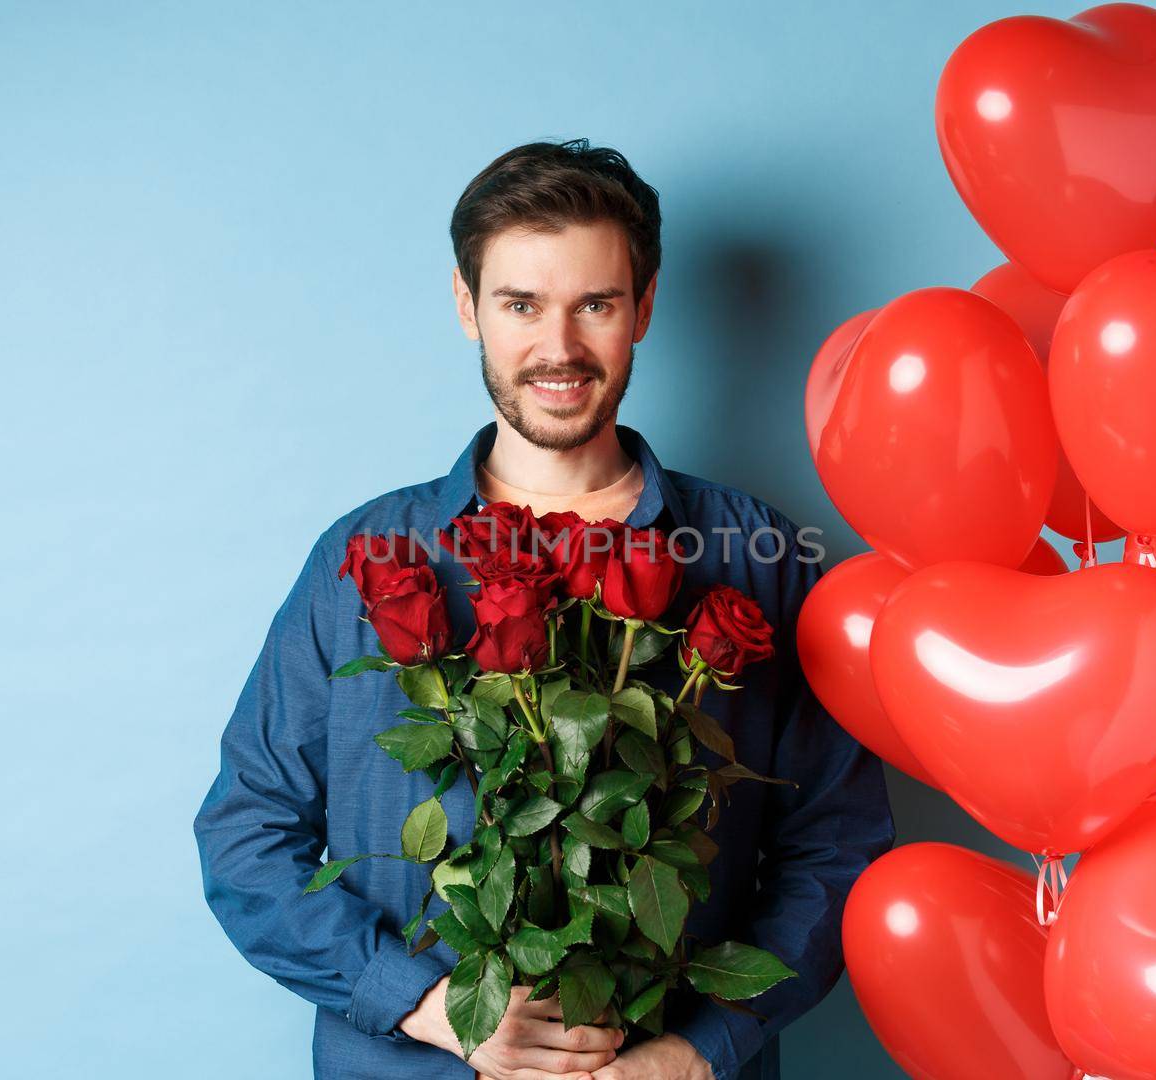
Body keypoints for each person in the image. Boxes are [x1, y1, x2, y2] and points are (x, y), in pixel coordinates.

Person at [193, 139, 895, 1080]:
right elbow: (248, 836)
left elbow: (836, 846)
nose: (557, 348)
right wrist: (431, 1008)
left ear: (643, 308)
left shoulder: (755, 557)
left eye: (594, 305)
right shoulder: (361, 562)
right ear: (465, 306)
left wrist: (700, 1050)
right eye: (520, 304)